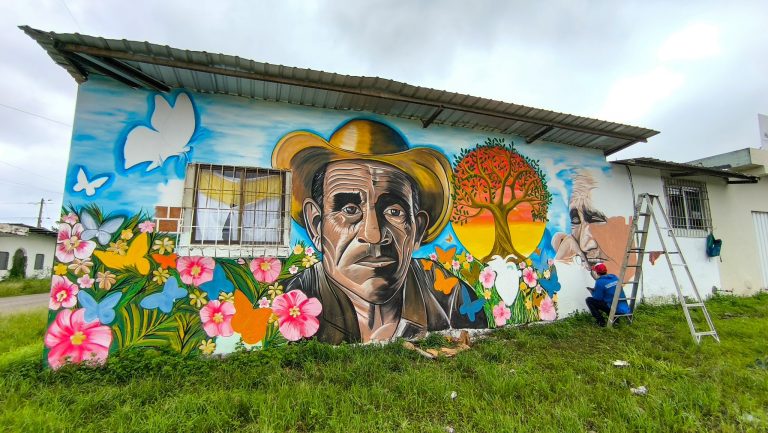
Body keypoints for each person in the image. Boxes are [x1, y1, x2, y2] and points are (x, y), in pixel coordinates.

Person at [271, 119, 486, 344]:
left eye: (394, 211)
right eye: (350, 210)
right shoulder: (294, 298)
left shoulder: (449, 297)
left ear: (417, 230)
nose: (373, 235)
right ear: (316, 225)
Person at [585, 262, 629, 327]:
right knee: (609, 299)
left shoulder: (599, 282)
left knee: (589, 300)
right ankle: (615, 320)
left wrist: (592, 291)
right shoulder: (614, 277)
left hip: (613, 308)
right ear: (606, 270)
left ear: (597, 273)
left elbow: (597, 298)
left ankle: (601, 322)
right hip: (624, 307)